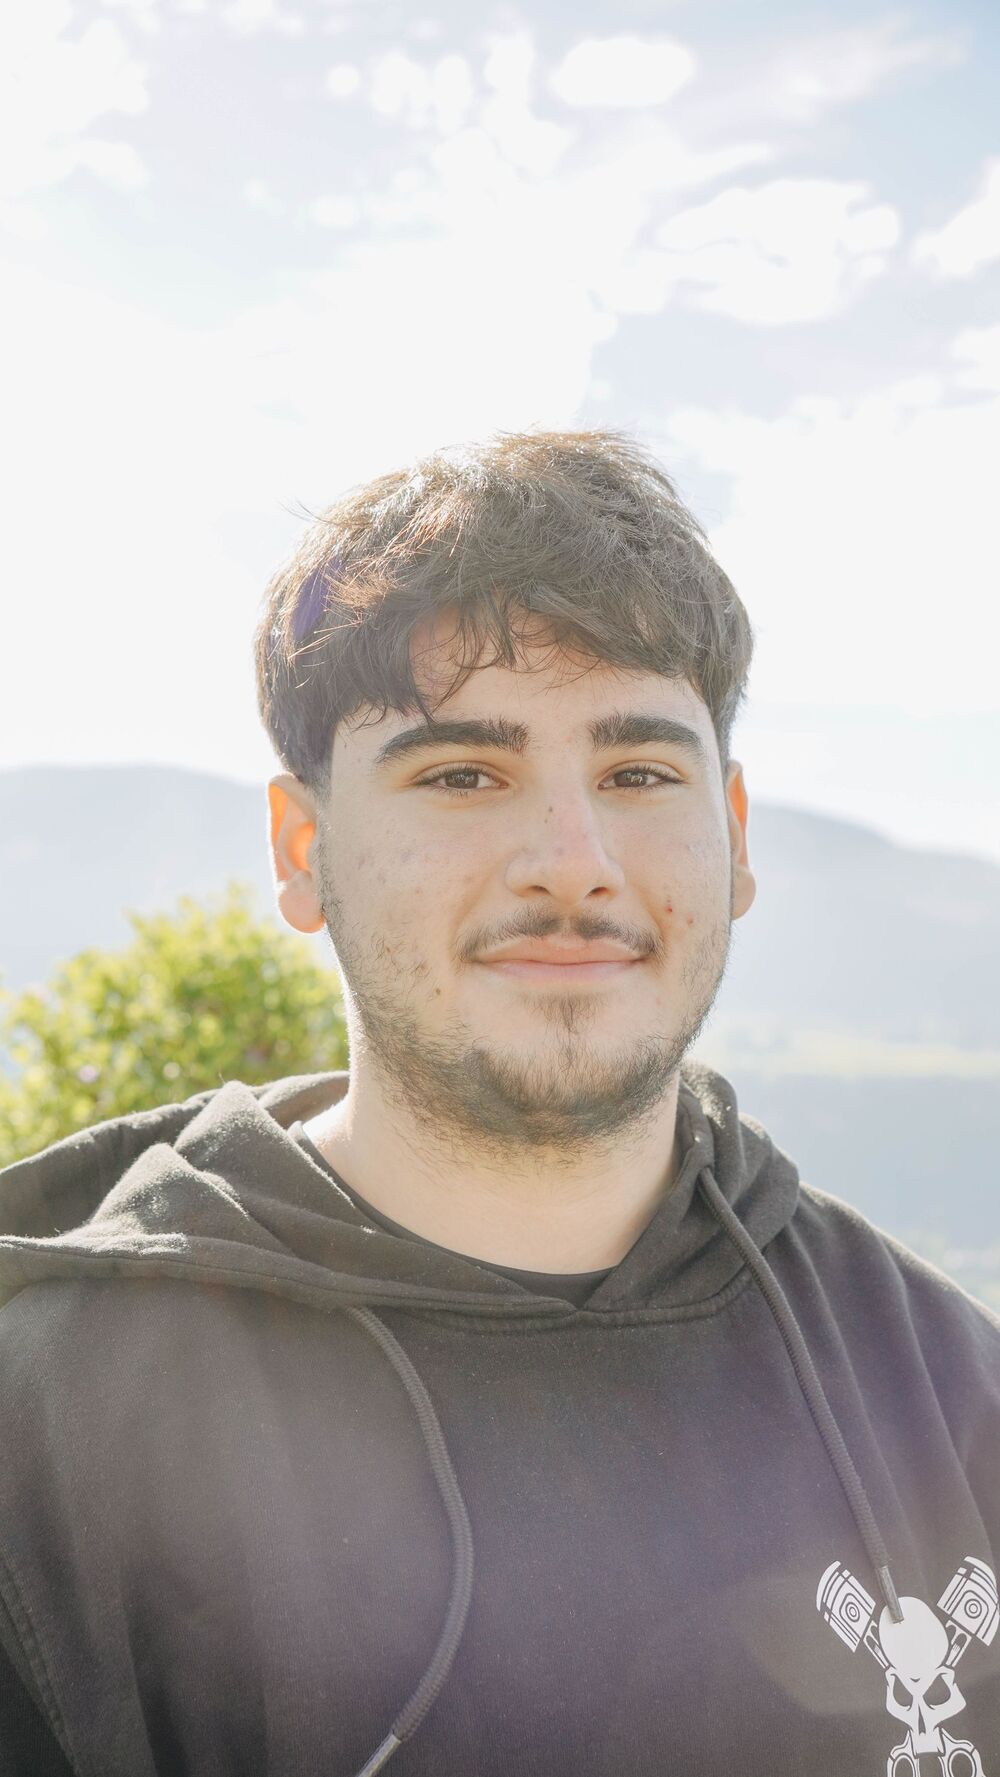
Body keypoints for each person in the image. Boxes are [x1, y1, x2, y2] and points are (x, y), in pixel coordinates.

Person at [0, 430, 997, 1776]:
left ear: (735, 835)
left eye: (639, 773)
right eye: (463, 774)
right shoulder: (51, 1430)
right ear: (303, 851)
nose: (572, 862)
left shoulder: (942, 1384)